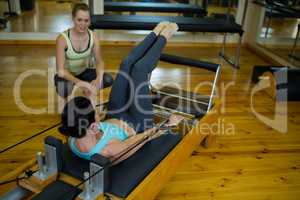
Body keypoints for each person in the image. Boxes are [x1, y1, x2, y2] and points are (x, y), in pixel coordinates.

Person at [60, 22, 184, 164]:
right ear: (93, 127)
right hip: (137, 122)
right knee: (139, 69)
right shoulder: (109, 149)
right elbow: (142, 138)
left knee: (126, 64)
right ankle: (165, 36)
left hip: (114, 113)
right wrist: (169, 124)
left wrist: (91, 97)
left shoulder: (73, 136)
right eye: (95, 114)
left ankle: (155, 33)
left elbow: (86, 117)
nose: (97, 111)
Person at [55, 3, 108, 118]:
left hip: (83, 71)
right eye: (79, 20)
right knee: (64, 88)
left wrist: (98, 78)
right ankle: (66, 106)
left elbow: (99, 61)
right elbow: (60, 71)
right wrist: (81, 84)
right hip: (67, 74)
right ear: (73, 18)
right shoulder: (62, 39)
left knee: (106, 79)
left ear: (90, 21)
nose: (83, 24)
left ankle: (90, 101)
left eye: (86, 20)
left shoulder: (93, 37)